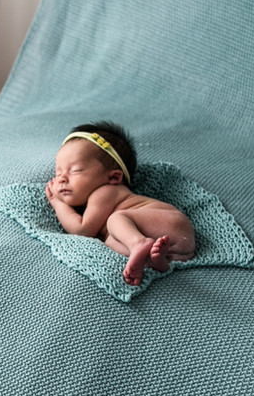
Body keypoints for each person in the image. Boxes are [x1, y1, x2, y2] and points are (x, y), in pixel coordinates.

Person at [45, 122, 196, 286]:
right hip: (178, 247)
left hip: (172, 222)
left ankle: (139, 243)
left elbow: (83, 229)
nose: (61, 179)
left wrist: (57, 202)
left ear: (114, 177)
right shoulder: (100, 204)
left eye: (75, 170)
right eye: (58, 173)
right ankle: (154, 261)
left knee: (116, 220)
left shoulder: (106, 191)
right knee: (110, 242)